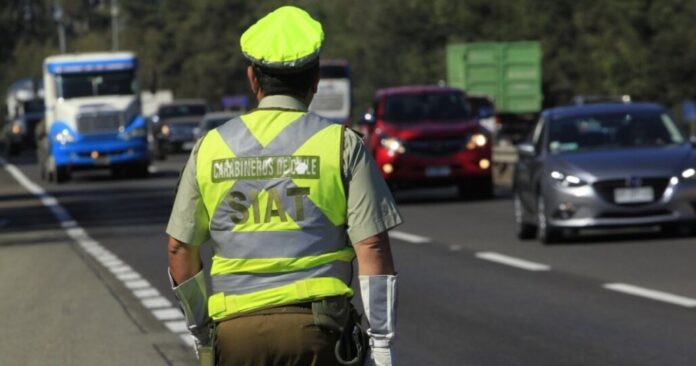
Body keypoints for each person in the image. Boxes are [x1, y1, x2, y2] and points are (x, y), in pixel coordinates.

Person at [166, 6, 402, 366]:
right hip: (319, 332)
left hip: (234, 333)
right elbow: (371, 244)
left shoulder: (210, 147)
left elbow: (179, 250)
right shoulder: (341, 144)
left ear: (253, 78)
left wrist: (202, 331)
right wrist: (381, 344)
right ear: (316, 79)